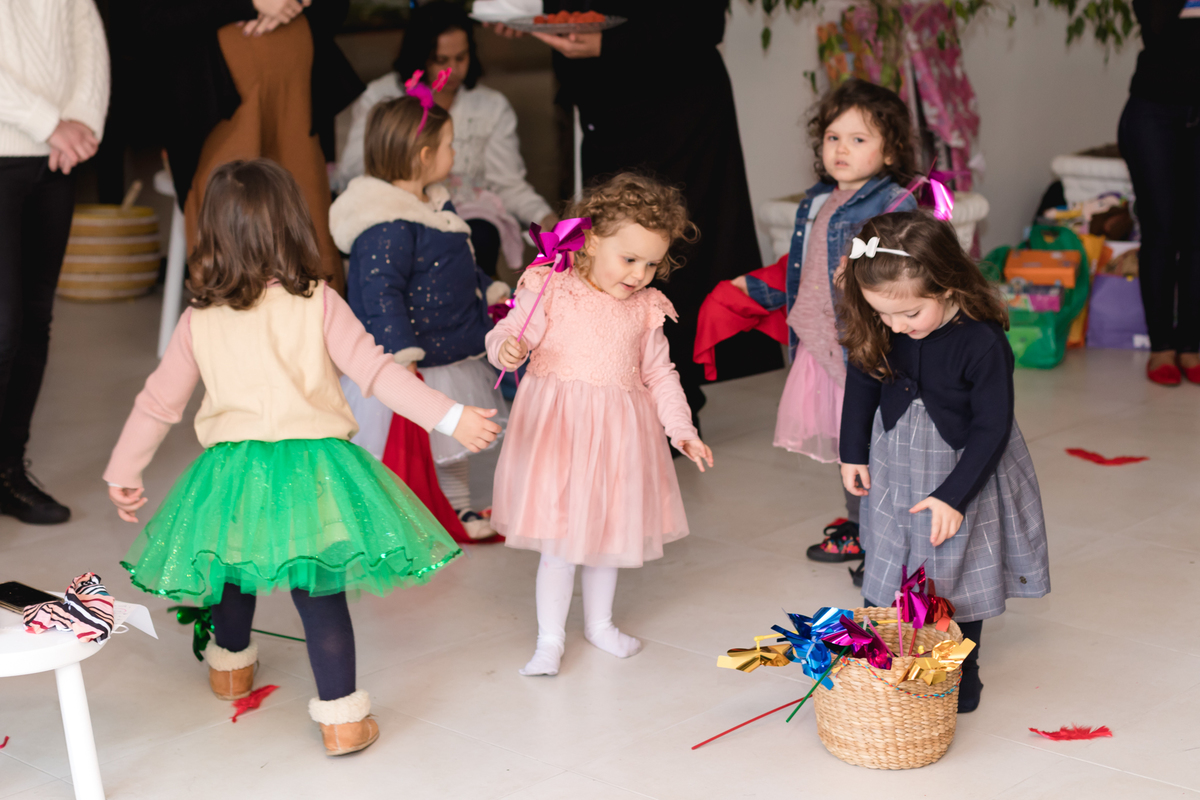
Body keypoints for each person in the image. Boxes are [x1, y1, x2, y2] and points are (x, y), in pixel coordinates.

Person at [104, 160, 500, 755]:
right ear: (293, 226)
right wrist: (450, 415)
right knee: (320, 596)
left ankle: (230, 665)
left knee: (231, 570)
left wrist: (123, 470)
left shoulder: (199, 319)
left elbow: (159, 403)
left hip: (233, 473)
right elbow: (377, 373)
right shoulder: (318, 302)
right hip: (315, 472)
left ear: (213, 235)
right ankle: (341, 720)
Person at [491, 0, 775, 424]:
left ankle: (665, 404)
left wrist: (610, 40)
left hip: (675, 105)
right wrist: (531, 11)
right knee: (611, 248)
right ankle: (623, 394)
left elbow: (703, 17)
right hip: (606, 104)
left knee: (664, 252)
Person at [486, 173, 714, 677]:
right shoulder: (551, 286)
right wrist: (506, 346)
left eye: (652, 263)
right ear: (589, 240)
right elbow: (508, 330)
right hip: (558, 433)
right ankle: (549, 640)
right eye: (629, 259)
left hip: (618, 437)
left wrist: (681, 429)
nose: (639, 274)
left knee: (609, 533)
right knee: (561, 540)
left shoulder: (645, 308)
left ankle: (600, 624)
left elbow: (660, 373)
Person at [838, 210, 1050, 713]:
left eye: (910, 315)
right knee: (889, 556)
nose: (895, 326)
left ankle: (960, 671)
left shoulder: (982, 341)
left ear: (948, 286)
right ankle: (883, 657)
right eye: (884, 315)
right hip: (894, 462)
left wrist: (954, 496)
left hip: (960, 469)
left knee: (954, 572)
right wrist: (851, 452)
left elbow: (991, 426)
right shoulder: (884, 321)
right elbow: (863, 380)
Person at [733, 79, 918, 584]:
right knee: (851, 444)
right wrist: (758, 293)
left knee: (881, 447)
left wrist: (861, 266)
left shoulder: (895, 200)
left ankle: (890, 546)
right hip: (822, 345)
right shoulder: (819, 200)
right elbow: (804, 268)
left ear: (891, 148)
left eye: (860, 139)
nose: (842, 149)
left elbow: (905, 262)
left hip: (867, 347)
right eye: (834, 137)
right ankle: (861, 528)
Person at [330, 92, 511, 540]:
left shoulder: (434, 205)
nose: (455, 154)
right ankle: (394, 514)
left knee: (450, 446)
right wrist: (400, 354)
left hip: (449, 350)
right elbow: (378, 293)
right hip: (413, 360)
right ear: (424, 155)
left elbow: (458, 259)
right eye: (450, 145)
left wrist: (487, 287)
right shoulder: (386, 223)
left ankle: (458, 510)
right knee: (413, 444)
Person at [138, 0, 364, 294]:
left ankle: (317, 336)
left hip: (296, 103)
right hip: (217, 108)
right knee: (229, 238)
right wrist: (251, 4)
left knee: (310, 238)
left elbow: (336, 9)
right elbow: (150, 18)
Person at [335, 1, 557, 276]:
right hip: (398, 209)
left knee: (478, 236)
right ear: (420, 57)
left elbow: (508, 183)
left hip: (469, 216)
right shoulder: (383, 99)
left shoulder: (490, 106)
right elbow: (355, 172)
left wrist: (544, 216)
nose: (452, 71)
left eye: (461, 58)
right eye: (441, 60)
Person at [0, 0, 109, 524]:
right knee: (2, 328)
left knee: (34, 325)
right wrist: (49, 122)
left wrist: (81, 125)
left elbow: (88, 39)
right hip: (11, 149)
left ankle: (7, 473)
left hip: (54, 159)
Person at [1117, 0, 1200, 385]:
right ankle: (1162, 347)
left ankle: (1191, 346)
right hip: (1154, 110)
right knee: (1162, 232)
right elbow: (1157, 24)